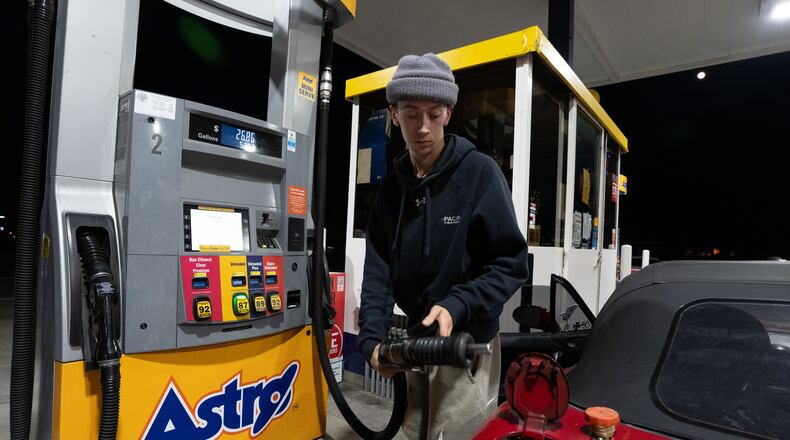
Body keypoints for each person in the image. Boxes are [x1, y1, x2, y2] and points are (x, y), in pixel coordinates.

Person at [357, 53, 528, 439]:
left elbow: (511, 264)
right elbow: (379, 268)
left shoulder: (479, 173)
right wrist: (371, 338)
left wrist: (457, 304)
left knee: (454, 433)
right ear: (394, 114)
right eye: (411, 113)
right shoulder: (392, 188)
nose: (423, 128)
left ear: (449, 113)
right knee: (412, 430)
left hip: (465, 344)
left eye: (434, 114)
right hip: (416, 340)